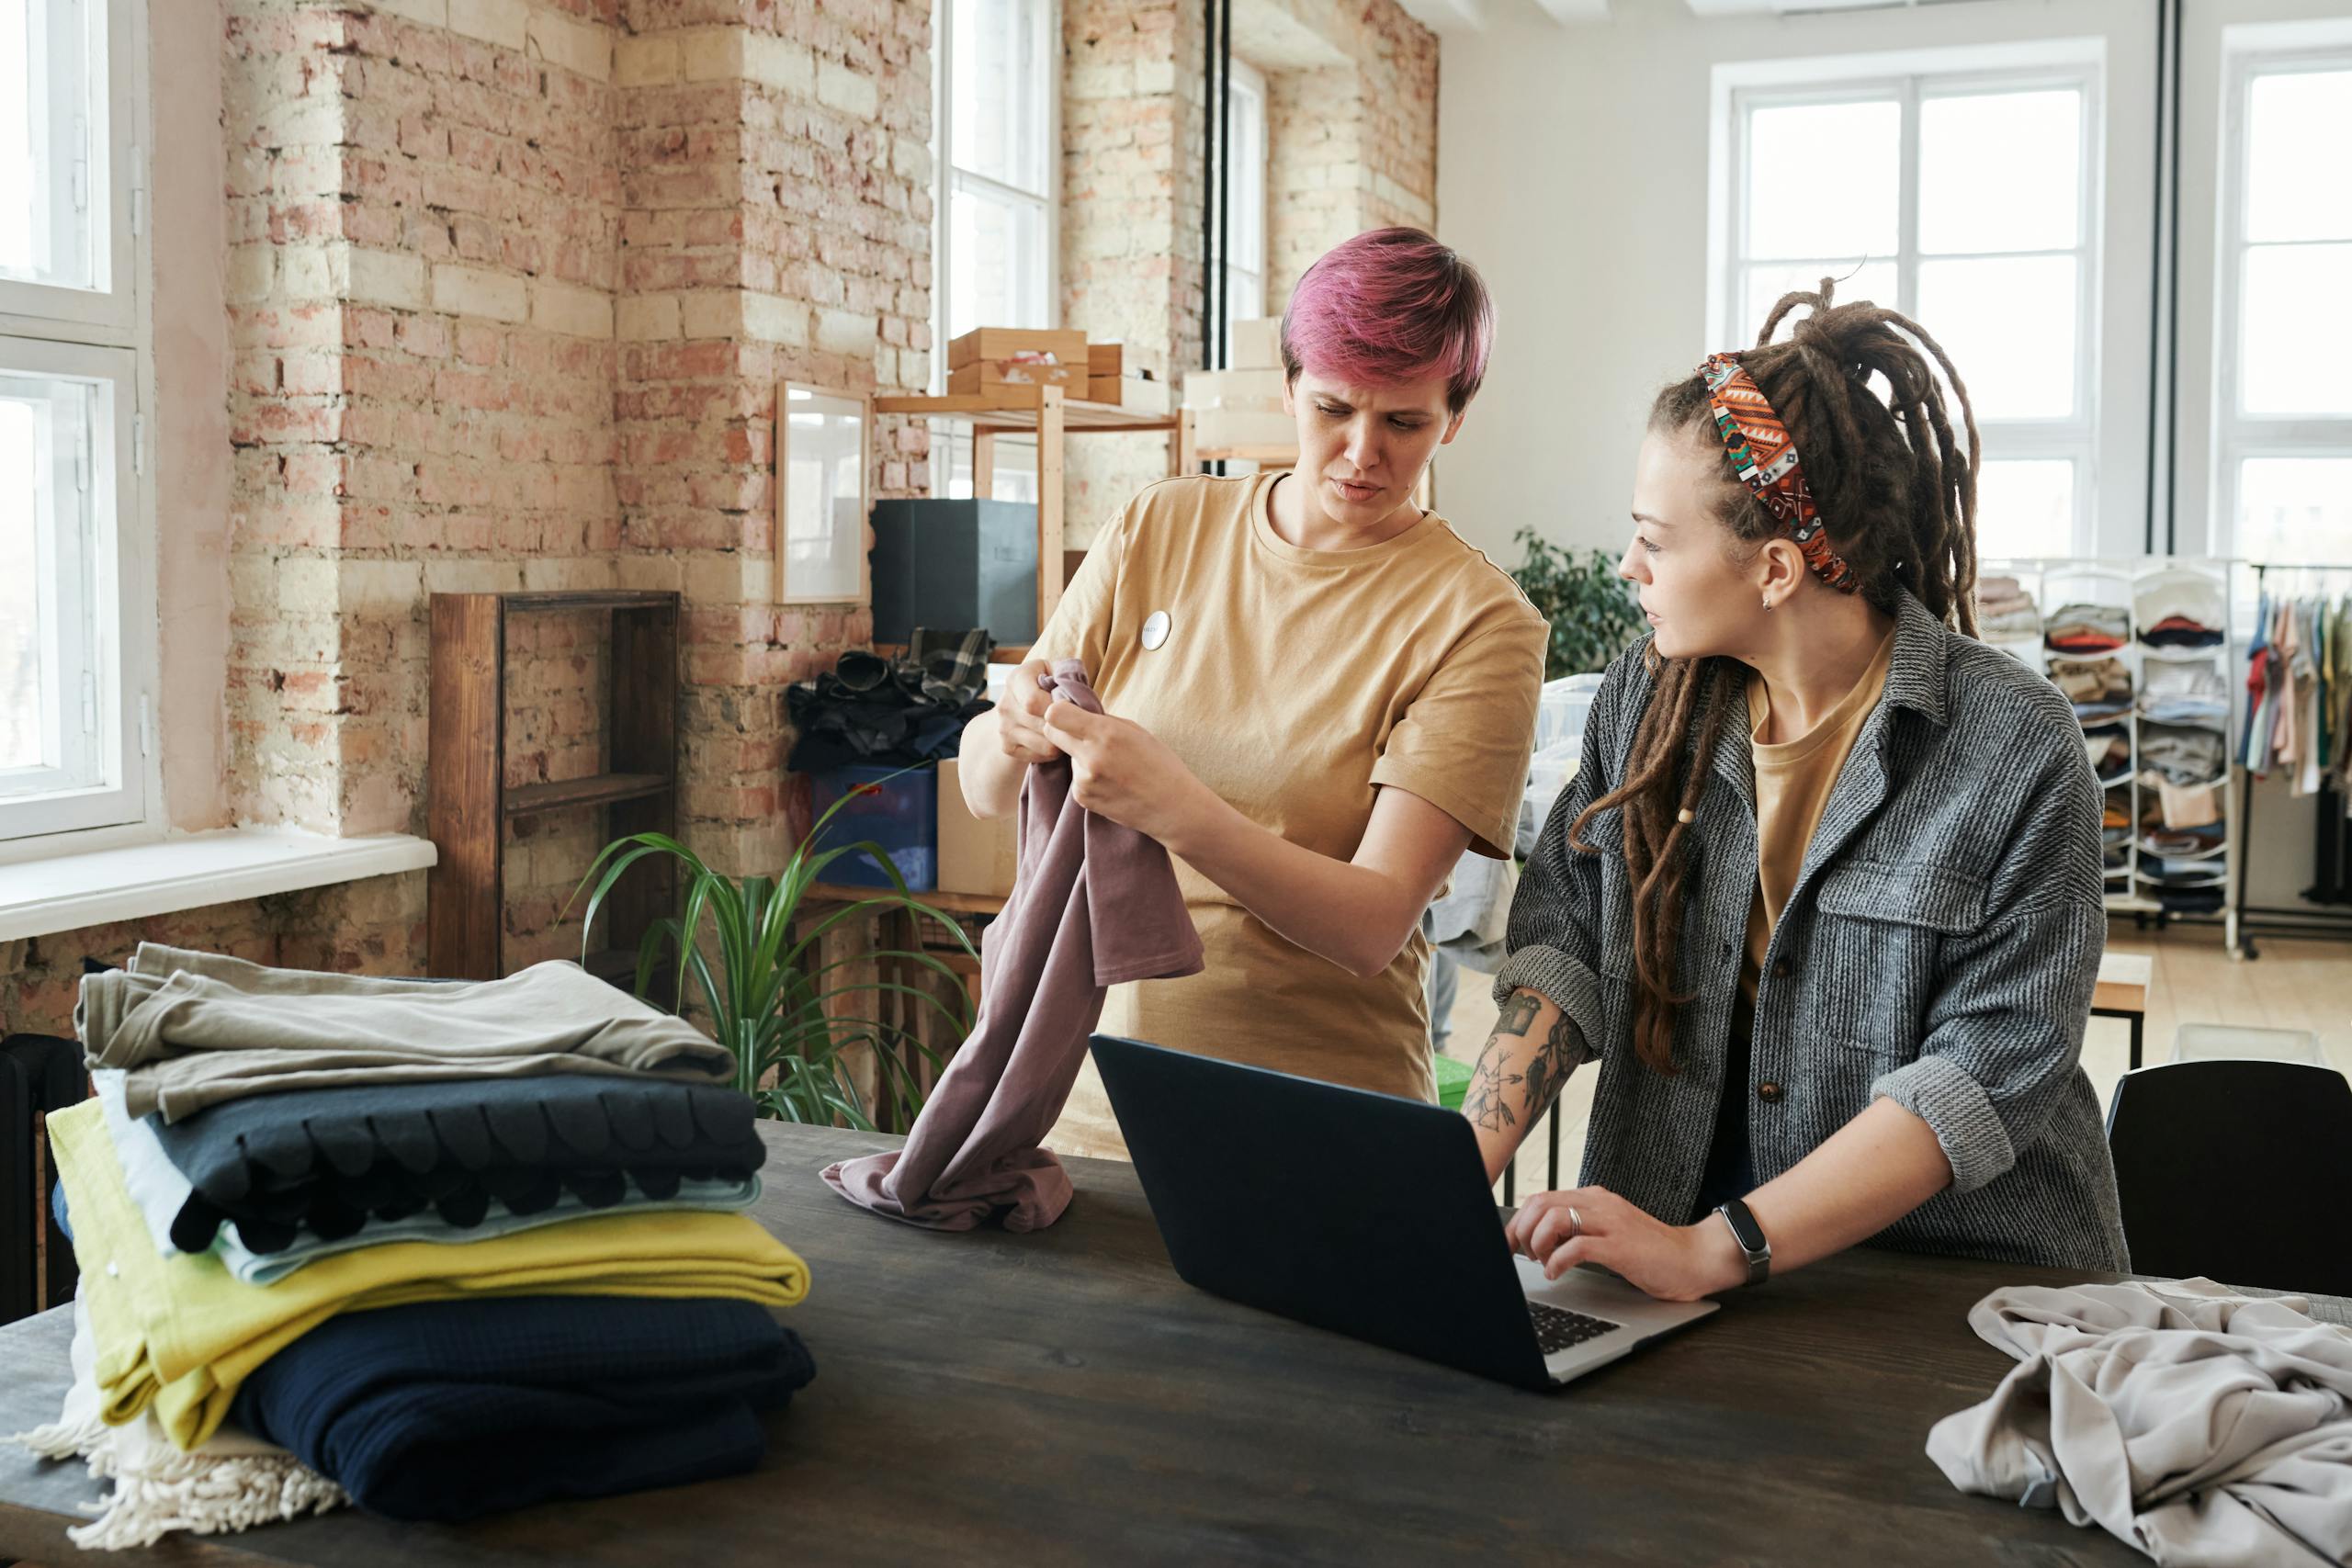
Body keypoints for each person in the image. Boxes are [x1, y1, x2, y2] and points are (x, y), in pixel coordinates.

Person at [1467, 282, 2128, 1301]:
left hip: (1951, 1281)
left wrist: (1713, 1250)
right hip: (1676, 1221)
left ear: (1775, 569)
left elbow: (1977, 1079)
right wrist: (1457, 1164)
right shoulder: (1648, 699)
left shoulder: (2014, 747)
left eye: (1655, 536)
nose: (1626, 564)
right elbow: (1565, 943)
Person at [956, 228, 1548, 1157]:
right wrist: (1012, 726)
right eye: (1332, 409)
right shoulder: (1159, 526)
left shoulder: (1479, 623)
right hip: (1076, 1103)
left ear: (1455, 419)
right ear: (1287, 387)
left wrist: (1179, 807)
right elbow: (983, 788)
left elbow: (1371, 923)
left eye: (1404, 424)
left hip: (1307, 1129)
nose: (1361, 453)